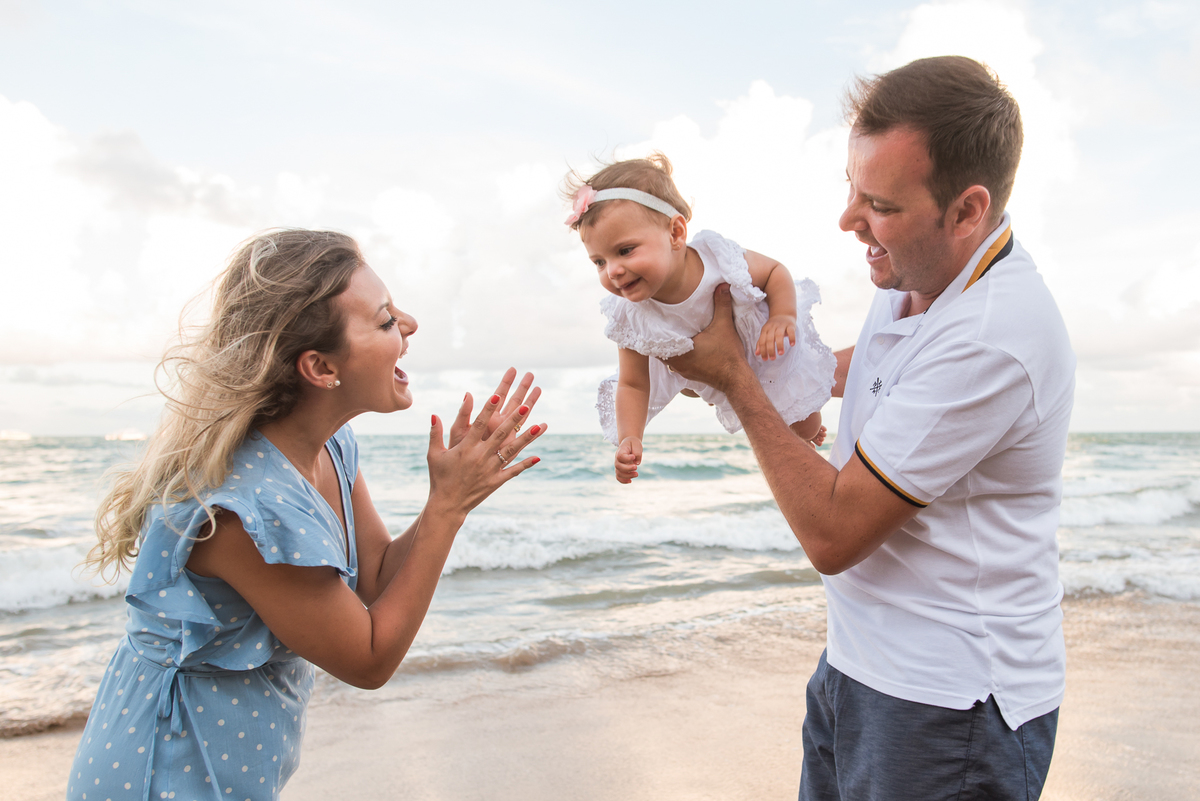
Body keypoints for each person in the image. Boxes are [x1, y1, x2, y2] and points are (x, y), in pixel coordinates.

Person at [666, 56, 1075, 799]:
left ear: (967, 211)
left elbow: (834, 533)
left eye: (878, 203)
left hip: (952, 705)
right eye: (851, 188)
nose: (849, 219)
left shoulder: (994, 332)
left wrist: (736, 382)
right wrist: (738, 358)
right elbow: (863, 368)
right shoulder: (922, 273)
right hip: (860, 666)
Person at [67, 229, 546, 801]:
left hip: (232, 766)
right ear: (320, 367)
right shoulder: (245, 510)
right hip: (165, 770)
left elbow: (373, 580)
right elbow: (368, 660)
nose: (411, 326)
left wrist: (450, 497)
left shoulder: (330, 447)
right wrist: (446, 511)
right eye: (387, 320)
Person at [565, 154, 836, 483]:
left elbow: (776, 272)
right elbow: (633, 383)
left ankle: (812, 431)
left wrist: (782, 316)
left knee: (804, 424)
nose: (613, 271)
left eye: (625, 251)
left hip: (767, 351)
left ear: (676, 233)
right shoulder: (631, 315)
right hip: (714, 375)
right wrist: (629, 437)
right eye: (599, 262)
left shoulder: (717, 259)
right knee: (775, 436)